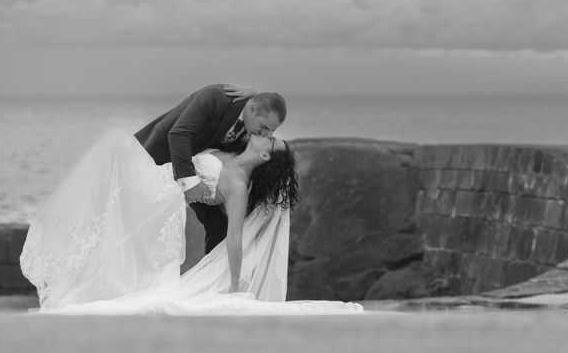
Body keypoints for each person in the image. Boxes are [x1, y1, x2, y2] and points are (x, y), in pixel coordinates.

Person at [19, 100, 362, 315]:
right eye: (269, 131)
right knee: (113, 149)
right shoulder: (226, 151)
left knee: (115, 147)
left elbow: (235, 237)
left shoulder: (239, 186)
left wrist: (235, 284)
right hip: (160, 181)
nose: (266, 134)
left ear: (266, 155)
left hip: (163, 197)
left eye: (271, 139)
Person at [134, 84, 285, 254]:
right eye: (264, 127)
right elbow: (179, 134)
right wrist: (189, 184)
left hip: (198, 172)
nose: (266, 135)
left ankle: (213, 276)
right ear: (252, 108)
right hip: (155, 158)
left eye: (271, 132)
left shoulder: (249, 131)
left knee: (220, 226)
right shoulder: (215, 97)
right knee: (140, 225)